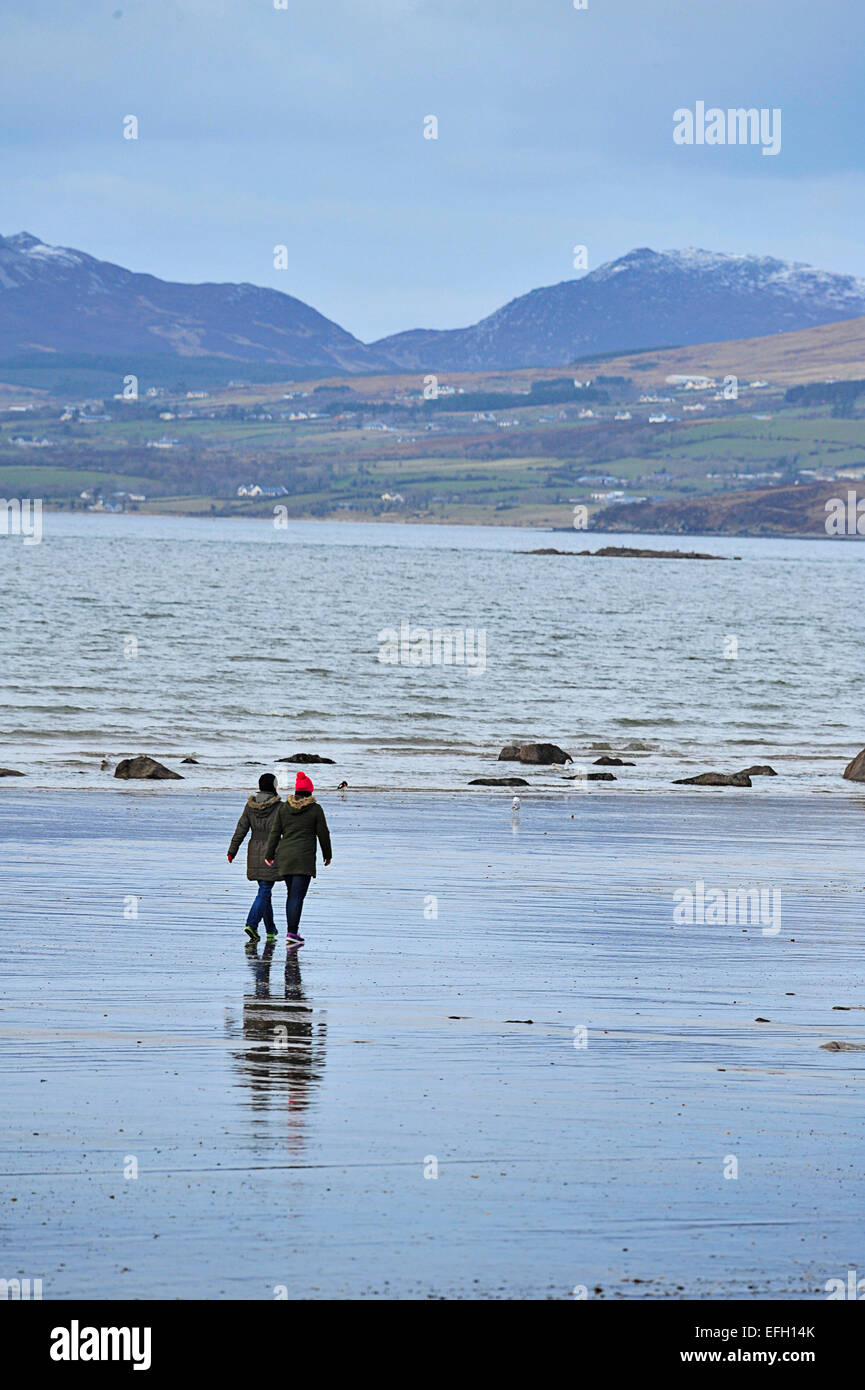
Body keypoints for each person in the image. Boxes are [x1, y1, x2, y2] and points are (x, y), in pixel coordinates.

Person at [264, 771, 332, 947]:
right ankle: (292, 932)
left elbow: (275, 832)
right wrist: (327, 854)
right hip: (304, 858)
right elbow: (323, 833)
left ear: (296, 792)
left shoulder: (284, 808)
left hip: (285, 857)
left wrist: (269, 854)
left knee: (291, 895)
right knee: (297, 896)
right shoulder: (315, 809)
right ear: (310, 792)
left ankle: (292, 931)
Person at [227, 773, 283, 943]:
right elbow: (288, 832)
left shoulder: (249, 806)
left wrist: (232, 850)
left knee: (265, 891)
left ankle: (271, 930)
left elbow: (241, 829)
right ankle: (251, 924)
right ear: (274, 785)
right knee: (265, 890)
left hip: (253, 851)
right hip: (271, 852)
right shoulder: (280, 807)